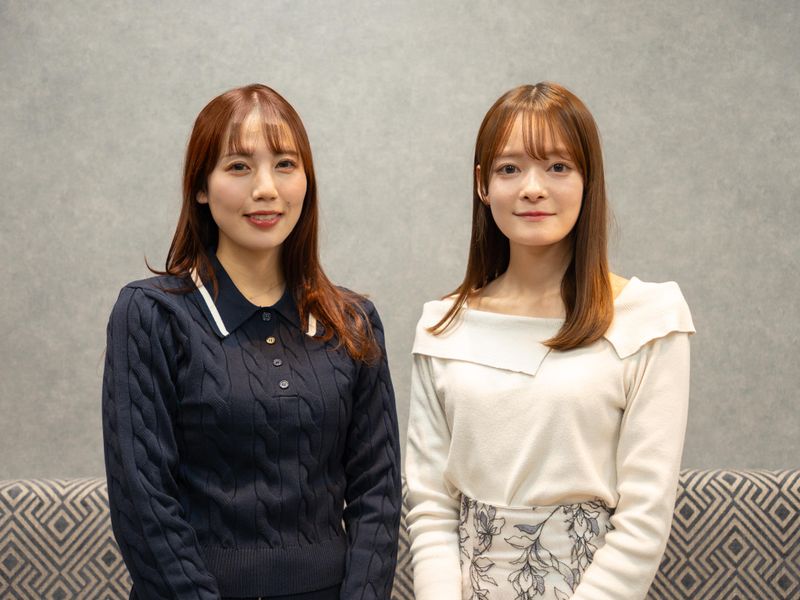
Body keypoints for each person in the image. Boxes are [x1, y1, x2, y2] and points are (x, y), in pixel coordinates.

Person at [102, 84, 401, 600]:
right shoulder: (151, 313)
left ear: (306, 180)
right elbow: (144, 500)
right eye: (239, 166)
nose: (266, 188)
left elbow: (378, 494)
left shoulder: (353, 321)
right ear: (201, 187)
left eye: (285, 164)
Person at [404, 82, 695, 600]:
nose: (532, 188)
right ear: (482, 184)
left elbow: (644, 516)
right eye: (509, 169)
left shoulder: (649, 319)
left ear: (589, 180)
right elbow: (430, 506)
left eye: (558, 167)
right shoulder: (442, 327)